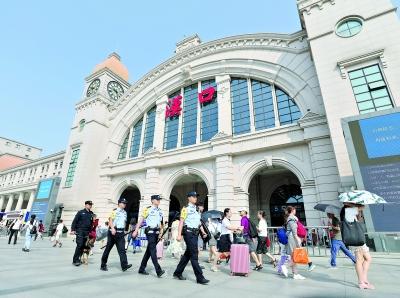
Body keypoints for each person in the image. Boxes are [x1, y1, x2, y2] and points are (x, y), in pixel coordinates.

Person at [173, 191, 209, 285]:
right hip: (188, 233)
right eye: (193, 196)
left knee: (187, 255)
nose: (195, 198)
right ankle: (200, 277)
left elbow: (199, 222)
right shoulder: (185, 209)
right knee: (194, 255)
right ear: (189, 198)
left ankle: (177, 272)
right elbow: (181, 222)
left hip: (195, 234)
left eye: (196, 196)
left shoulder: (197, 210)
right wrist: (179, 234)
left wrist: (203, 232)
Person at [341, 203, 374, 290]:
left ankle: (364, 279)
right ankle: (361, 282)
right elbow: (362, 207)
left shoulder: (348, 212)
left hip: (358, 239)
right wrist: (355, 204)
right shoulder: (347, 211)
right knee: (359, 260)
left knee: (368, 258)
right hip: (356, 240)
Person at [132, 194, 165, 277]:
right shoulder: (148, 209)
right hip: (150, 232)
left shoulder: (160, 211)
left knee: (149, 252)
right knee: (153, 251)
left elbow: (161, 224)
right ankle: (158, 270)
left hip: (156, 233)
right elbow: (141, 220)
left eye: (159, 200)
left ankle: (141, 269)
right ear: (153, 200)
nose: (159, 201)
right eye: (157, 199)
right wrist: (136, 231)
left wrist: (161, 233)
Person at [100, 198, 132, 272]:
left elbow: (124, 222)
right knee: (108, 249)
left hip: (120, 233)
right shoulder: (115, 211)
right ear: (119, 203)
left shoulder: (125, 213)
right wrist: (112, 228)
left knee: (122, 250)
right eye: (123, 203)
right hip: (113, 232)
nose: (125, 204)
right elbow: (110, 220)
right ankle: (103, 265)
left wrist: (123, 231)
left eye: (125, 203)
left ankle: (124, 266)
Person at [285, 206, 306, 280]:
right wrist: (298, 240)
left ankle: (295, 274)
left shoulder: (291, 218)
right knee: (295, 256)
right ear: (292, 210)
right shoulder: (292, 219)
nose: (295, 211)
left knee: (294, 255)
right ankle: (285, 266)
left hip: (292, 238)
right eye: (294, 210)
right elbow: (294, 231)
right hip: (293, 238)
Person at [71, 200, 94, 266]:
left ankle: (79, 258)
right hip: (80, 230)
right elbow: (75, 221)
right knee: (79, 245)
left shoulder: (91, 213)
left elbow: (92, 223)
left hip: (87, 232)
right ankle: (75, 260)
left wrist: (91, 231)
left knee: (84, 246)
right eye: (89, 204)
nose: (90, 206)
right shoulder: (80, 212)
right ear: (86, 205)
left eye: (91, 205)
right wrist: (73, 229)